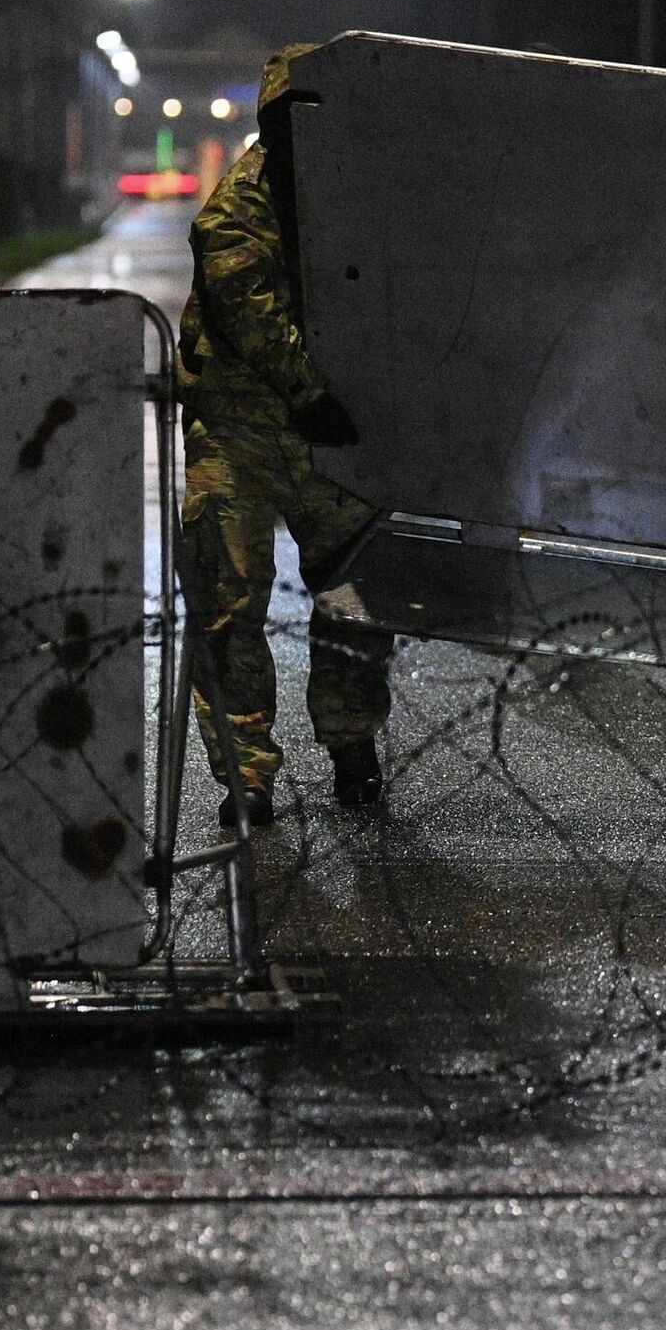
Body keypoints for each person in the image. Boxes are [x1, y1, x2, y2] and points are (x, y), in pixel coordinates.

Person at [177, 43, 390, 827]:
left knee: (354, 600)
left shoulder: (354, 196)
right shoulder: (243, 201)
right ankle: (245, 773)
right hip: (239, 433)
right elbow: (244, 299)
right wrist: (308, 390)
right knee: (228, 605)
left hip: (331, 441)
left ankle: (352, 741)